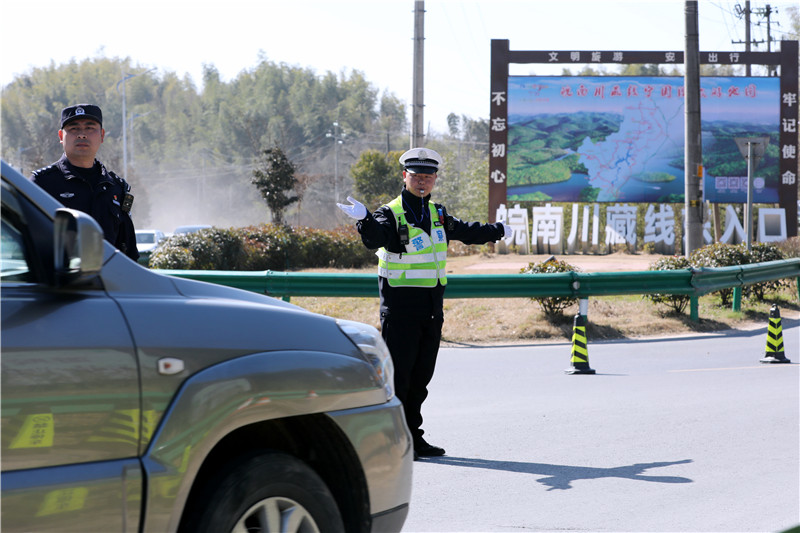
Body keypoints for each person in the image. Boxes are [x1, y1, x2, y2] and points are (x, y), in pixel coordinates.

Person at [337, 147, 512, 460]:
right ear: (404, 177)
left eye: (428, 176)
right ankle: (389, 440)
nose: (422, 181)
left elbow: (465, 231)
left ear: (434, 180)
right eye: (416, 175)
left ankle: (412, 438)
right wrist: (364, 218)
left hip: (431, 311)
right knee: (398, 379)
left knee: (420, 380)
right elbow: (374, 238)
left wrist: (497, 230)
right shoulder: (389, 213)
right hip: (400, 311)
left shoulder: (437, 214)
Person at [31, 104, 139, 261]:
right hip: (61, 282)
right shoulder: (42, 184)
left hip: (110, 282)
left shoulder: (116, 188)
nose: (82, 135)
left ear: (101, 135)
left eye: (90, 128)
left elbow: (128, 248)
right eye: (74, 129)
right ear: (61, 136)